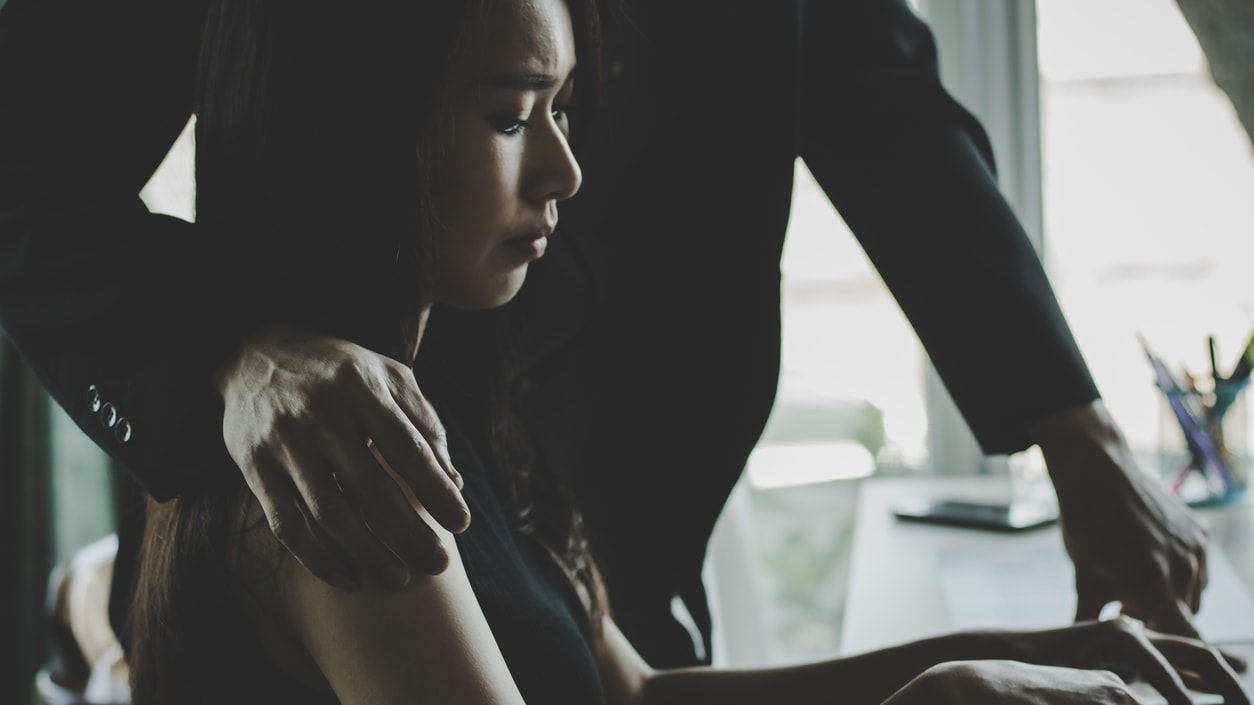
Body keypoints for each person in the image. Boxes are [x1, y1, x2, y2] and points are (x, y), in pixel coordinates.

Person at [0, 0, 1218, 670]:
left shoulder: (486, 386)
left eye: (565, 108)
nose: (567, 168)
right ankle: (117, 611)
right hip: (354, 430)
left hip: (535, 440)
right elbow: (25, 166)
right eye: (519, 113)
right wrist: (236, 353)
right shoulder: (360, 494)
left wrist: (1020, 638)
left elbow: (873, 80)